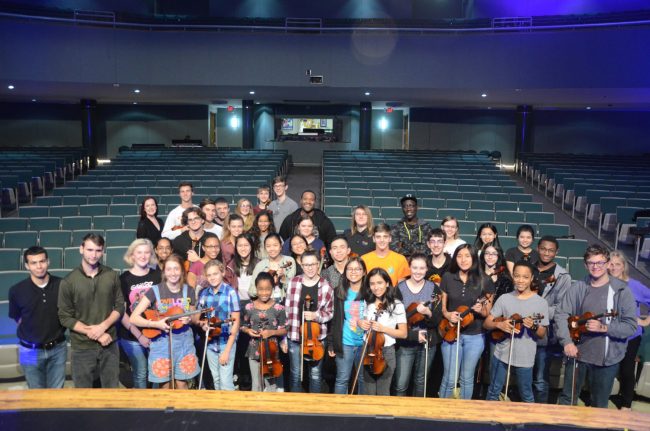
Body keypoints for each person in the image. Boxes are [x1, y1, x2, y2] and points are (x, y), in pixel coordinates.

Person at [555, 244, 637, 408]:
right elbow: (561, 314)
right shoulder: (578, 287)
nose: (595, 267)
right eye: (591, 263)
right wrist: (567, 342)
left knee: (599, 405)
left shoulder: (622, 290)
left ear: (607, 264)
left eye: (600, 262)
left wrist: (605, 328)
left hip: (606, 360)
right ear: (585, 265)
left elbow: (630, 326)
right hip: (577, 354)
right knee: (567, 400)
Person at [58, 233, 124, 388]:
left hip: (110, 343)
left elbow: (120, 306)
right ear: (81, 249)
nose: (94, 255)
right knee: (84, 394)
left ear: (103, 251)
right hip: (82, 347)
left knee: (111, 392)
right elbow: (65, 317)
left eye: (98, 250)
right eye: (89, 250)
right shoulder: (68, 281)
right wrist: (94, 333)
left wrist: (102, 327)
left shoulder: (112, 275)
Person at [129, 254, 200, 389]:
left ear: (182, 271)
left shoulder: (189, 290)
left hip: (184, 343)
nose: (173, 273)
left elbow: (194, 318)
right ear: (164, 271)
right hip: (162, 343)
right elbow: (134, 317)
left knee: (182, 383)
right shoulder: (155, 290)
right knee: (165, 384)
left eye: (176, 269)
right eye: (169, 269)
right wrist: (155, 324)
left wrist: (189, 319)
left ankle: (183, 410)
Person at [484, 260, 549, 403]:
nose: (520, 280)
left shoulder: (541, 303)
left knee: (526, 394)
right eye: (517, 276)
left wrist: (533, 326)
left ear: (532, 278)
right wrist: (499, 325)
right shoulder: (504, 298)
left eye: (525, 277)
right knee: (493, 391)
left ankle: (527, 425)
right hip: (501, 354)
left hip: (525, 356)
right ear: (513, 276)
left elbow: (542, 333)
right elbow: (487, 323)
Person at [439, 244, 494, 399]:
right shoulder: (448, 277)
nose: (463, 260)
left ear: (474, 258)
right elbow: (443, 309)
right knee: (449, 378)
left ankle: (464, 416)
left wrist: (480, 310)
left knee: (467, 379)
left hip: (475, 336)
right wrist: (448, 315)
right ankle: (440, 415)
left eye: (467, 256)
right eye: (459, 256)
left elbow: (487, 312)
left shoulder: (485, 280)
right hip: (451, 333)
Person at [9, 247, 66, 388]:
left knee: (57, 393)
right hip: (28, 350)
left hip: (58, 348)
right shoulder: (16, 290)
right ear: (27, 266)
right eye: (33, 263)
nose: (39, 266)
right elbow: (18, 318)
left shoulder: (62, 285)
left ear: (48, 262)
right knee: (35, 392)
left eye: (42, 261)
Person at [285, 250, 334, 393]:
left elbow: (330, 313)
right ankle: (295, 408)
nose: (310, 268)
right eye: (306, 265)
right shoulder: (293, 282)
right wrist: (284, 337)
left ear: (318, 264)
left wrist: (316, 315)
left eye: (313, 264)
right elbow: (287, 310)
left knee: (315, 375)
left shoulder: (326, 286)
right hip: (295, 335)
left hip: (316, 338)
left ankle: (315, 408)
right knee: (295, 373)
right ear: (301, 265)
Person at [608, 251, 650, 410]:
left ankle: (626, 404)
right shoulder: (603, 283)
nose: (613, 267)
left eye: (617, 264)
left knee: (626, 370)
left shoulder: (635, 286)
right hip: (609, 333)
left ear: (624, 266)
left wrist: (645, 321)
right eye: (611, 263)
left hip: (630, 336)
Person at [394, 253, 441, 397]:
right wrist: (414, 335)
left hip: (427, 343)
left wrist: (428, 313)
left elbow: (437, 320)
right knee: (401, 384)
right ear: (409, 268)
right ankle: (398, 416)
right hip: (405, 342)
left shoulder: (433, 288)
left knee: (421, 382)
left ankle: (417, 416)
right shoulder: (399, 288)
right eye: (415, 267)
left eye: (422, 268)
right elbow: (395, 321)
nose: (418, 271)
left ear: (427, 269)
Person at [532, 235, 571, 403]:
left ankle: (540, 414)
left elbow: (561, 308)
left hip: (544, 333)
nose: (546, 253)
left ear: (556, 252)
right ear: (537, 249)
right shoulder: (528, 269)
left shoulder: (563, 276)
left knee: (540, 378)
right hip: (524, 330)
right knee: (524, 374)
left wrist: (536, 313)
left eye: (551, 250)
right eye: (543, 249)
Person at [118, 239, 161, 389]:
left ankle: (156, 407)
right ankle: (142, 409)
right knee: (141, 372)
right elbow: (122, 312)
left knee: (157, 372)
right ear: (132, 255)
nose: (143, 256)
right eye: (139, 252)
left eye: (147, 252)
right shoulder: (123, 279)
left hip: (156, 333)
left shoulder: (158, 275)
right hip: (132, 336)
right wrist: (140, 336)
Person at [358, 268, 407, 395]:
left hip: (386, 352)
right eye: (372, 283)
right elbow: (361, 320)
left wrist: (383, 328)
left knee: (383, 393)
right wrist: (361, 323)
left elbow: (403, 333)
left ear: (387, 283)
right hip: (367, 350)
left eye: (379, 283)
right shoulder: (367, 301)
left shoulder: (397, 305)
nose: (376, 287)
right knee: (368, 393)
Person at [198, 260, 241, 390]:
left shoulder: (231, 293)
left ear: (222, 272)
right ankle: (219, 409)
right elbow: (202, 318)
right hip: (210, 343)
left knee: (226, 382)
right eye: (209, 275)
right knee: (216, 379)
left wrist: (227, 350)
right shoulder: (204, 294)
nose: (212, 278)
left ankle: (229, 409)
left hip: (226, 342)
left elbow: (236, 322)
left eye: (215, 274)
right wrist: (204, 325)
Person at [327, 257, 367, 394]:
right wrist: (331, 343)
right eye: (350, 269)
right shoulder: (339, 291)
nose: (353, 272)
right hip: (346, 342)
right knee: (342, 379)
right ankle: (339, 412)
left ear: (364, 272)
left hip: (365, 343)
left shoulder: (370, 291)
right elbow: (335, 320)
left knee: (363, 379)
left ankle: (362, 412)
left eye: (357, 269)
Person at [241, 272, 288, 392]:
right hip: (254, 349)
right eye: (260, 289)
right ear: (256, 289)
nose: (264, 293)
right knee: (256, 384)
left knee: (271, 384)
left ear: (272, 289)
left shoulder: (279, 308)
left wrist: (271, 332)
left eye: (268, 289)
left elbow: (284, 329)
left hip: (271, 351)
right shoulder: (249, 307)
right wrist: (248, 331)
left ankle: (270, 410)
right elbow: (242, 325)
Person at [250, 233, 297, 302]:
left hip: (285, 300)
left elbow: (292, 289)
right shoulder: (260, 265)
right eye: (268, 246)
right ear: (265, 248)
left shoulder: (289, 261)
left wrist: (283, 277)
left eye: (275, 245)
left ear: (281, 246)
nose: (272, 249)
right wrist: (263, 286)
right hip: (265, 302)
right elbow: (251, 291)